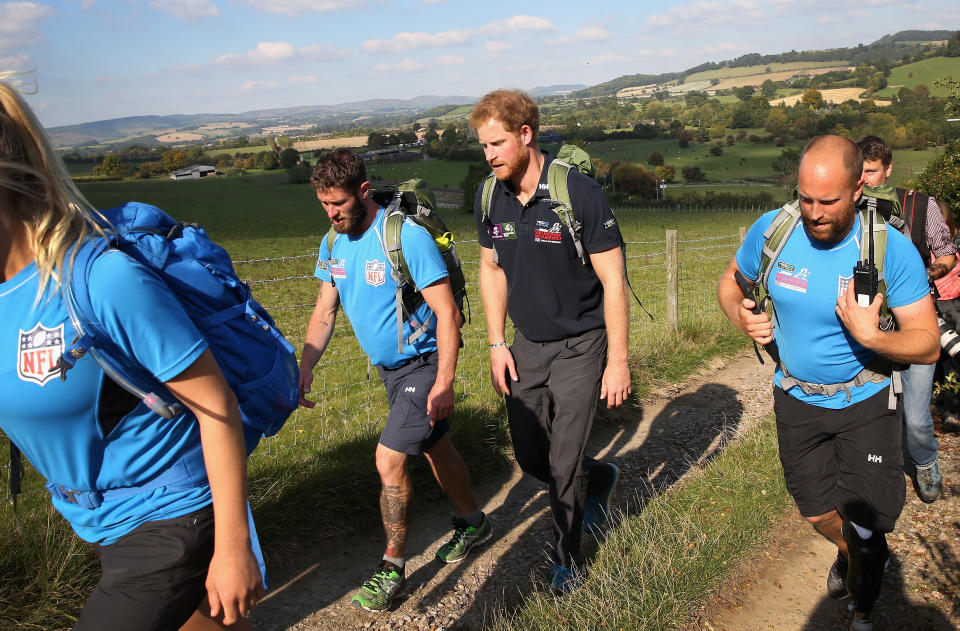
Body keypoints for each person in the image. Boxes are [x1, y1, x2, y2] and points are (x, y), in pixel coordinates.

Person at [0, 74, 263, 630]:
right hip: (97, 515)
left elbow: (216, 407)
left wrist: (233, 546)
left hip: (170, 514)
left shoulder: (100, 280)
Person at [718, 135, 939, 631]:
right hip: (795, 399)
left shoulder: (889, 248)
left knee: (867, 524)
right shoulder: (775, 229)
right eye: (805, 198)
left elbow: (926, 343)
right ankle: (855, 556)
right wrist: (740, 315)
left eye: (828, 201)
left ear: (858, 189)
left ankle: (862, 605)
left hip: (866, 400)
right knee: (817, 512)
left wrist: (872, 337)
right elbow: (732, 279)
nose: (813, 213)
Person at [299, 149, 489, 613]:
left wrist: (444, 381)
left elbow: (448, 313)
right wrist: (303, 369)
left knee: (389, 459)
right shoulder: (332, 242)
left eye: (339, 203)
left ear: (363, 190)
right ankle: (474, 523)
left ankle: (392, 569)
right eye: (324, 204)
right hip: (391, 372)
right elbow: (325, 311)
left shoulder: (402, 238)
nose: (332, 212)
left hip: (423, 366)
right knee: (437, 448)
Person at [469, 89, 631, 593]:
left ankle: (568, 557)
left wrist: (618, 361)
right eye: (483, 146)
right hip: (526, 346)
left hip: (583, 344)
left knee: (563, 458)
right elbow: (490, 267)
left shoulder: (578, 194)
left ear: (525, 134)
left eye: (497, 143)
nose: (490, 154)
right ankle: (598, 478)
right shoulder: (490, 196)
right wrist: (497, 343)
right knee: (531, 456)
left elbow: (613, 280)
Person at [855, 134, 954, 503]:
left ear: (889, 169)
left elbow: (947, 253)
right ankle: (876, 470)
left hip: (915, 325)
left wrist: (926, 273)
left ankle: (925, 460)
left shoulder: (921, 206)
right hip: (867, 325)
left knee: (914, 414)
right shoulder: (849, 209)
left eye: (871, 172)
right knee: (873, 413)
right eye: (859, 172)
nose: (864, 181)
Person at [931, 199, 960, 431]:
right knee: (936, 359)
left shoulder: (953, 253)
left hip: (951, 308)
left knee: (951, 362)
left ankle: (951, 411)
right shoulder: (926, 250)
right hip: (934, 307)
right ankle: (940, 400)